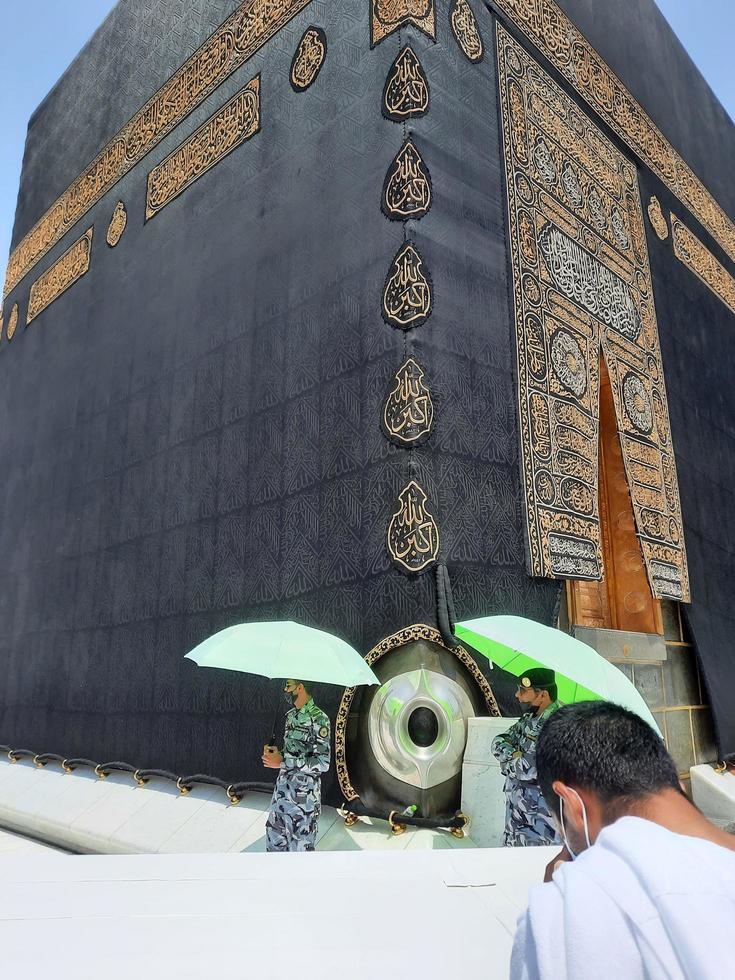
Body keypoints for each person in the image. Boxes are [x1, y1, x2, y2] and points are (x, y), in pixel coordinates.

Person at [511, 701, 735, 980]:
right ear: (678, 787)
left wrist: (559, 905)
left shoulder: (563, 914)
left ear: (571, 806)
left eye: (563, 829)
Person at [492, 667, 561, 846]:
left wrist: (507, 763)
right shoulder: (529, 719)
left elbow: (528, 769)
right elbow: (498, 742)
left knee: (533, 870)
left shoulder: (555, 725)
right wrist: (514, 755)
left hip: (538, 823)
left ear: (543, 695)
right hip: (517, 816)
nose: (517, 695)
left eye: (523, 691)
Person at [262, 679, 331, 852]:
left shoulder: (320, 719)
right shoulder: (291, 716)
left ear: (300, 688)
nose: (285, 690)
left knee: (300, 862)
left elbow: (323, 763)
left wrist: (284, 761)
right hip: (281, 798)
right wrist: (276, 754)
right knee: (273, 853)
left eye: (288, 686)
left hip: (303, 804)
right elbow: (292, 751)